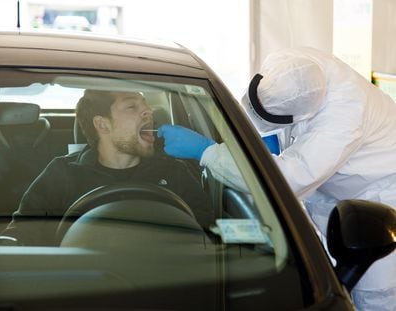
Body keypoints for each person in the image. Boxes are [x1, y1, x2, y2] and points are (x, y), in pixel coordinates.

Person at [157, 47, 396, 310]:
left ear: (301, 116)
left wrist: (208, 153)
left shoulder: (343, 122)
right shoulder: (293, 66)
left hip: (376, 196)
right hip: (333, 193)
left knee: (373, 287)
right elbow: (279, 103)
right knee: (333, 274)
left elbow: (284, 180)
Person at [2, 90, 213, 246]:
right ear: (102, 124)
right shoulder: (63, 173)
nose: (148, 111)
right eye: (132, 107)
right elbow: (22, 234)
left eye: (145, 105)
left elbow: (210, 236)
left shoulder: (173, 171)